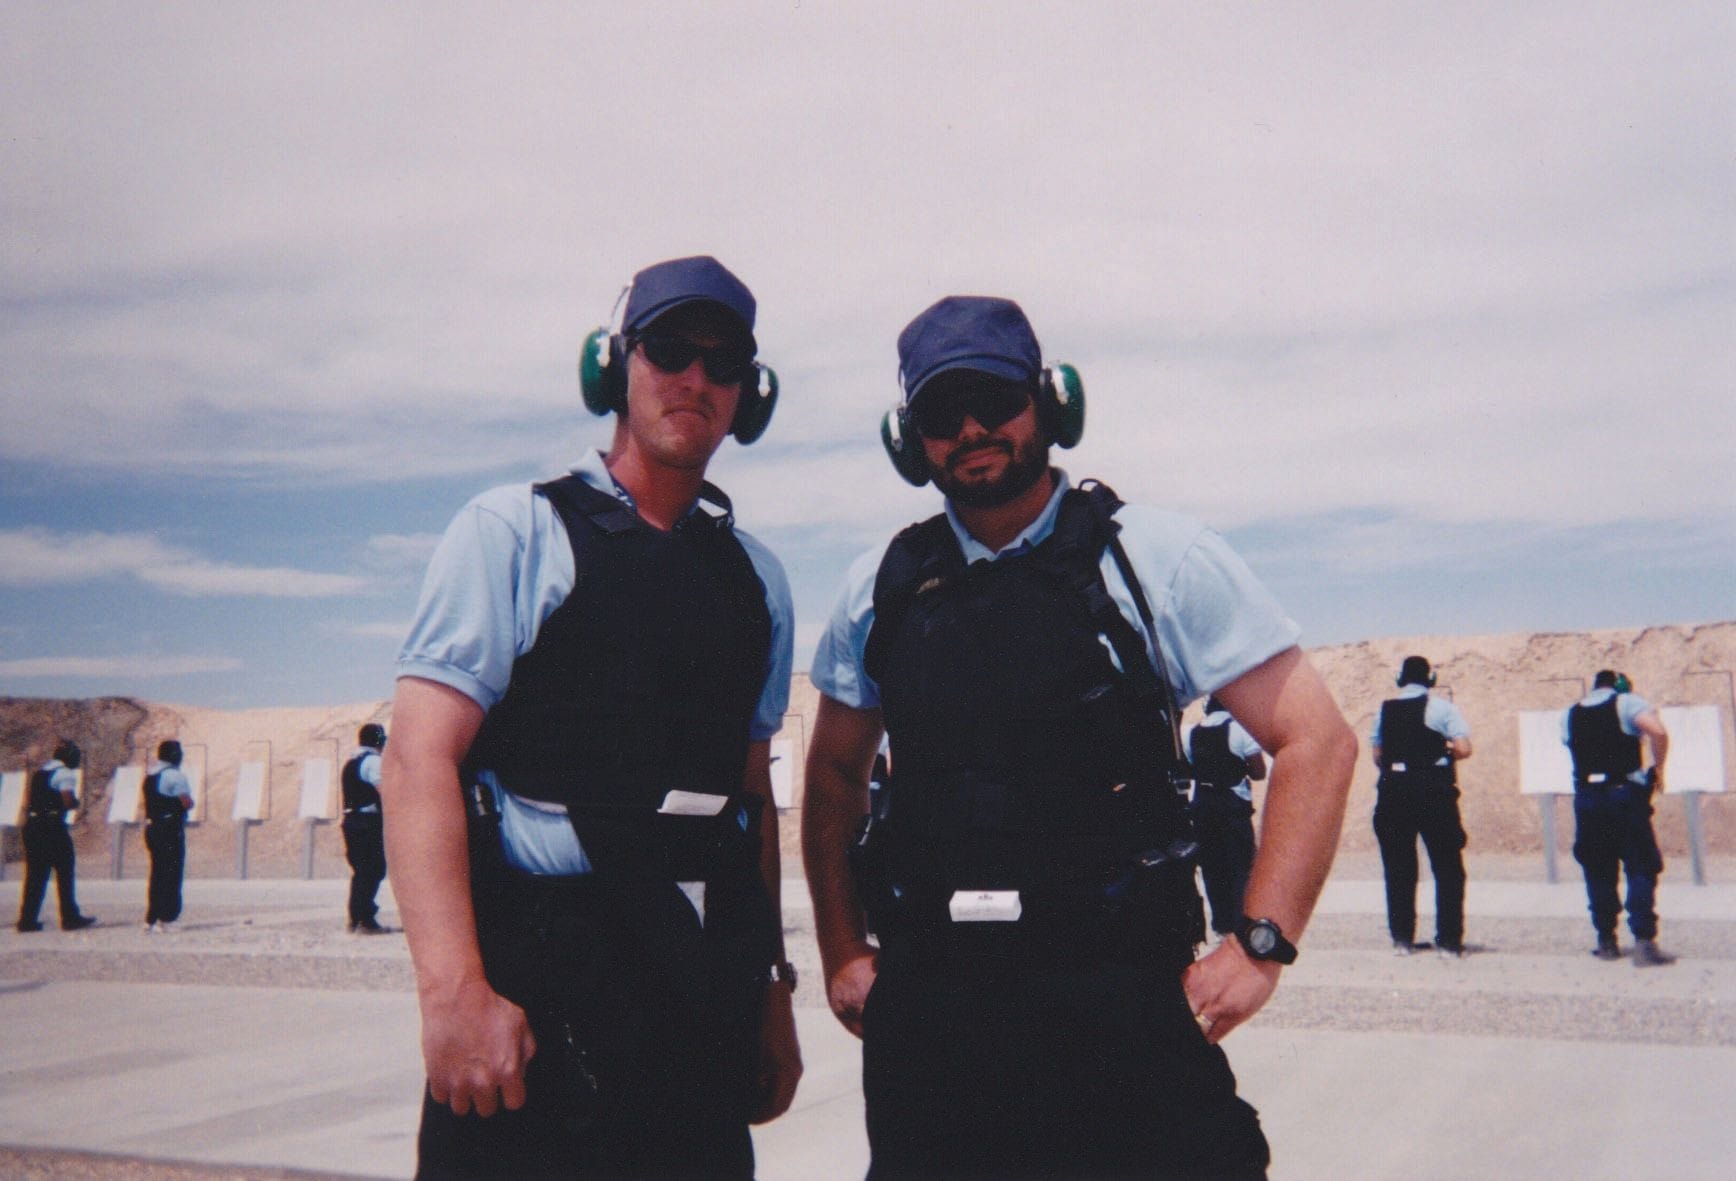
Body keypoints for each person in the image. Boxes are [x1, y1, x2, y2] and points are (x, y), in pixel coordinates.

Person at [803, 295, 1357, 1180]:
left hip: (1119, 1004)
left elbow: (1316, 741)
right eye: (944, 412)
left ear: (1051, 401)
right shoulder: (883, 587)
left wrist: (1260, 943)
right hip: (936, 1016)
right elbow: (834, 773)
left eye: (995, 396)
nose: (975, 427)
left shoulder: (1155, 560)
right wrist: (842, 949)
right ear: (911, 439)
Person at [382, 255, 801, 1179]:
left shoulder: (757, 583)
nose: (694, 378)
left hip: (693, 987)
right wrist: (453, 992)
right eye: (669, 349)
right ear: (614, 366)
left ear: (748, 393)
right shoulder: (514, 534)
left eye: (722, 360)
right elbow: (416, 763)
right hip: (539, 989)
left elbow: (748, 799)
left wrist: (770, 988)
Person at [1563, 670, 1675, 966]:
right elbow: (1658, 731)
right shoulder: (1626, 704)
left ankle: (1606, 940)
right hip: (1623, 795)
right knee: (1640, 866)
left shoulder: (1570, 714)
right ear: (1620, 687)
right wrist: (1659, 767)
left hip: (1587, 797)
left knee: (1598, 868)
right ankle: (1643, 942)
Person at [1371, 655, 1473, 958]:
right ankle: (1449, 942)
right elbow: (1465, 748)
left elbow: (1377, 754)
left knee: (1399, 868)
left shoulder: (1385, 710)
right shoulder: (1443, 707)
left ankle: (1402, 939)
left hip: (1393, 791)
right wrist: (1439, 752)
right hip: (1433, 791)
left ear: (1401, 679)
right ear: (1430, 679)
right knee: (1447, 867)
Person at [1187, 694, 1268, 940]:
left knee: (1212, 867)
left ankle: (1221, 925)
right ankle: (1239, 924)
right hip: (1232, 807)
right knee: (1241, 866)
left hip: (1202, 805)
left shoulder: (1191, 733)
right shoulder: (1241, 731)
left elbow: (1189, 767)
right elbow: (1259, 773)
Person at [16, 739, 97, 932]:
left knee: (35, 875)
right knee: (65, 871)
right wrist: (76, 804)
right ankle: (69, 917)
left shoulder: (40, 773)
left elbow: (30, 801)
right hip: (51, 826)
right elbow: (68, 800)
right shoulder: (65, 773)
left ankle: (27, 920)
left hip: (33, 825)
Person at [342, 723, 391, 934]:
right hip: (367, 822)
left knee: (362, 871)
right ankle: (364, 919)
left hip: (353, 821)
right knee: (372, 870)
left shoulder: (352, 761)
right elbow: (385, 790)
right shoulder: (373, 761)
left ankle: (357, 918)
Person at [142, 739, 194, 932]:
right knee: (172, 873)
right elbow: (186, 802)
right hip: (169, 829)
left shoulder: (150, 775)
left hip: (152, 827)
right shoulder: (175, 776)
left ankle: (151, 918)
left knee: (157, 874)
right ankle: (168, 918)